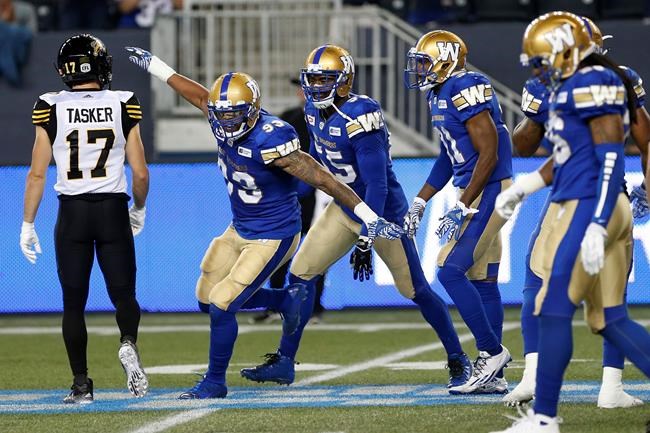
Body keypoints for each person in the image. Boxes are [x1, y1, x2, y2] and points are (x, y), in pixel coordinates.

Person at [125, 46, 403, 399]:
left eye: (234, 115)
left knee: (223, 304)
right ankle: (285, 301)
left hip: (274, 234)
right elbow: (197, 94)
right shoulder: (219, 117)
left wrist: (368, 217)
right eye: (221, 115)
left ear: (252, 110)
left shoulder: (272, 138)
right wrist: (157, 66)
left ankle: (215, 382)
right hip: (239, 227)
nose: (227, 122)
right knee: (206, 300)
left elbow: (325, 180)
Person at [240, 44, 471, 391]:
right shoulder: (312, 111)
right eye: (312, 79)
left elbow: (377, 184)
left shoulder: (361, 116)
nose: (316, 86)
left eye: (324, 79)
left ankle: (458, 358)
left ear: (344, 81)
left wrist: (366, 236)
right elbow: (317, 164)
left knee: (416, 289)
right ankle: (285, 361)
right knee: (301, 274)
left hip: (383, 213)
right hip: (342, 207)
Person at [491, 12, 650, 432]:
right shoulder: (568, 87)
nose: (538, 70)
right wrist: (523, 188)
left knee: (553, 307)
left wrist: (597, 221)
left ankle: (544, 419)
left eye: (543, 59)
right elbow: (566, 156)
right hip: (591, 199)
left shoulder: (593, 82)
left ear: (566, 52)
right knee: (609, 319)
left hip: (589, 203)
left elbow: (610, 155)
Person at [20, 34, 150, 403]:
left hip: (73, 213)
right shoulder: (123, 102)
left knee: (73, 304)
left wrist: (27, 224)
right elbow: (140, 173)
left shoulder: (50, 105)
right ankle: (127, 341)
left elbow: (37, 174)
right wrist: (139, 208)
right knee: (124, 295)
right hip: (112, 209)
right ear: (101, 66)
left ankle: (81, 385)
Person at [403, 30, 513, 394]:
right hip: (478, 188)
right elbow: (450, 154)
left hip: (490, 188)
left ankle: (492, 352)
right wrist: (421, 200)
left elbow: (489, 153)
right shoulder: (439, 92)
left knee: (450, 270)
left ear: (446, 60)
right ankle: (495, 377)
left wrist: (465, 202)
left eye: (424, 62)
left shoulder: (465, 86)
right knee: (483, 280)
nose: (419, 69)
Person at [251, 78, 327, 325]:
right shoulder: (288, 118)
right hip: (290, 189)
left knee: (317, 248)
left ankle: (313, 307)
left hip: (319, 189)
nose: (302, 93)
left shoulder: (328, 117)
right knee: (281, 246)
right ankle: (276, 304)